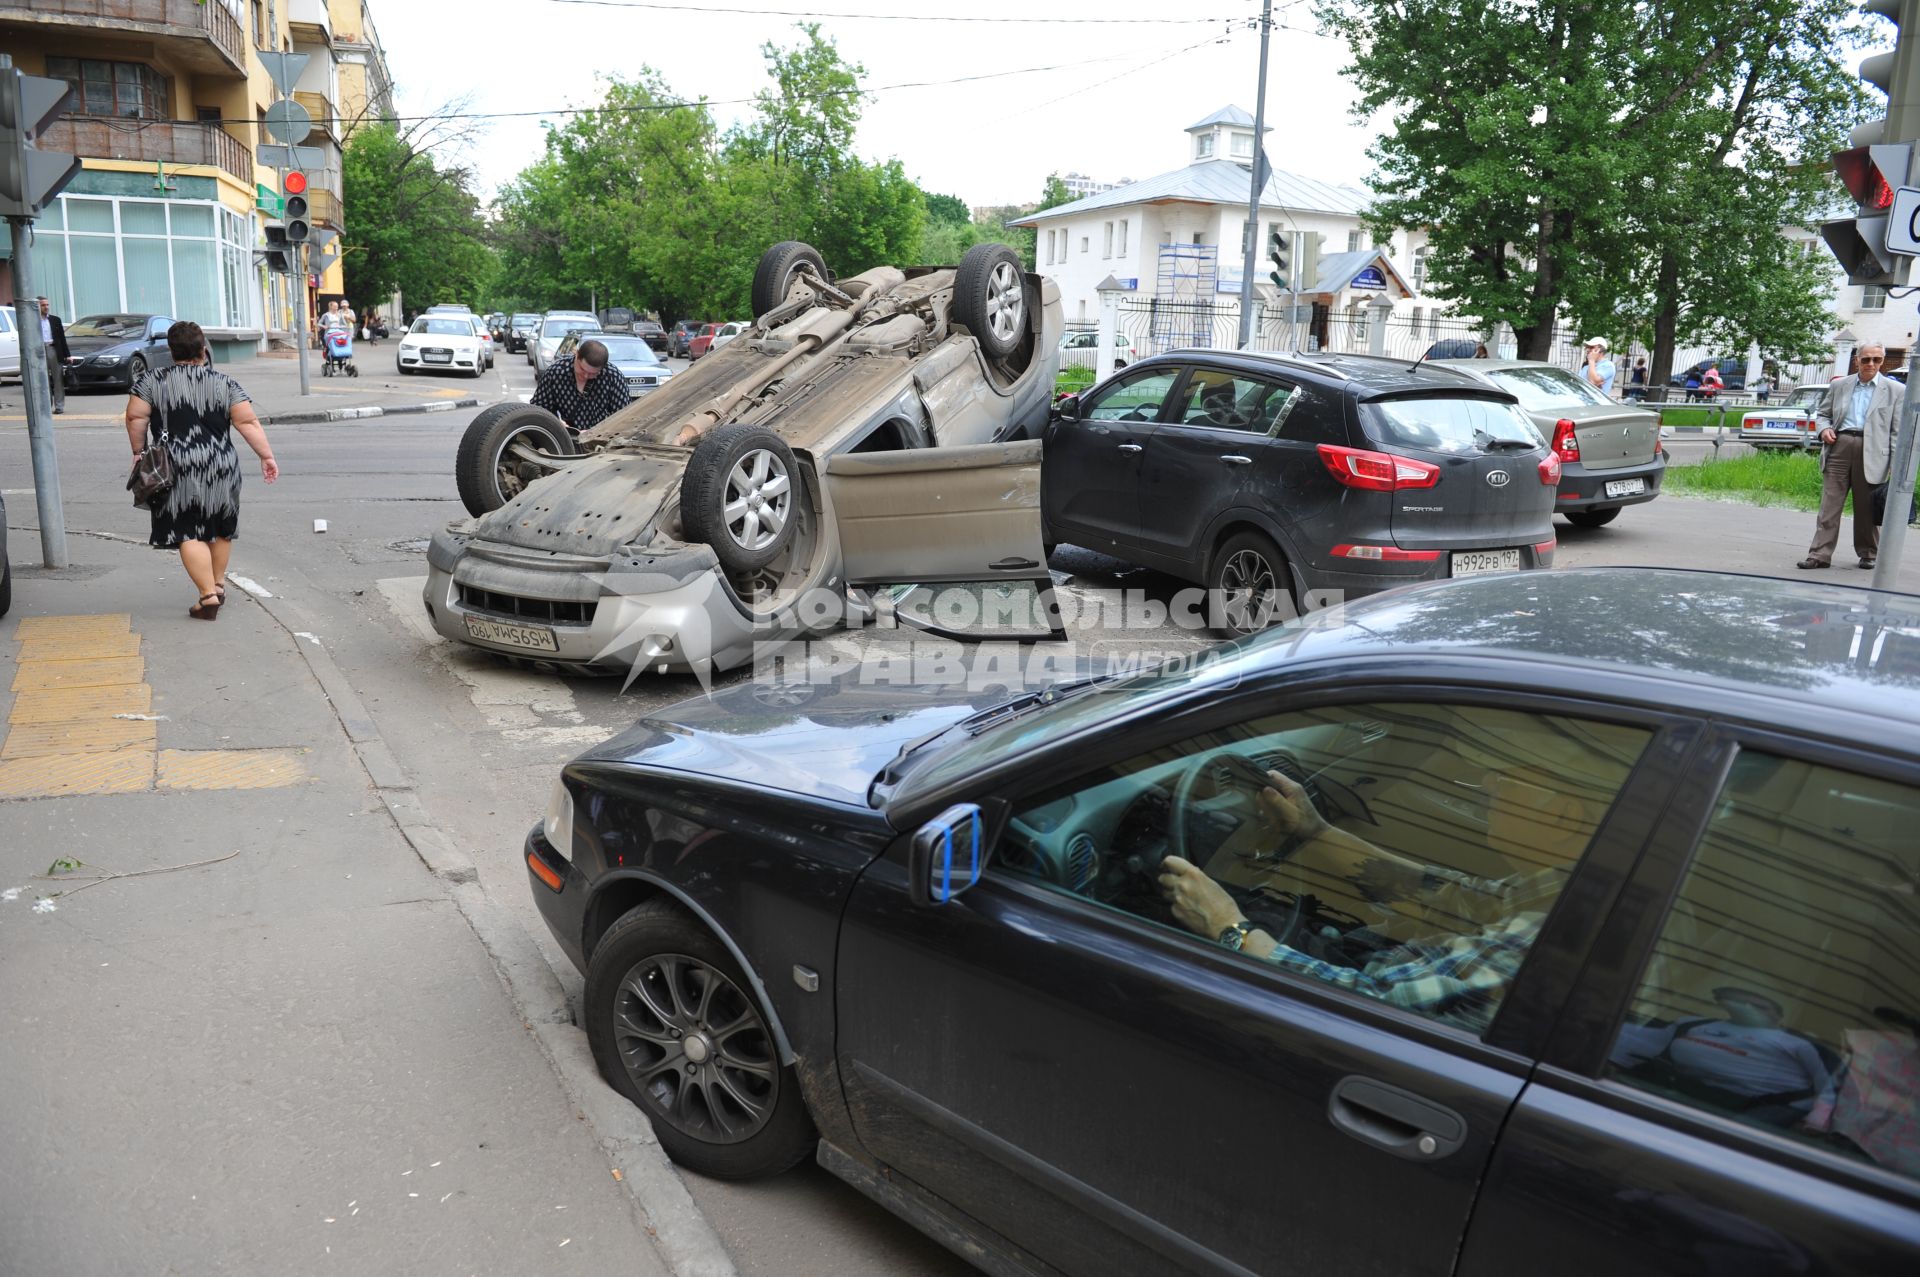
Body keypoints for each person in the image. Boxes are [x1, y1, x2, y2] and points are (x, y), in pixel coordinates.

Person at [1155, 768, 1562, 1035]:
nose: (1490, 784)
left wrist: (1230, 929)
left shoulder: (1548, 939)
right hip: (1388, 968)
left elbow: (1372, 1006)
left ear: (1563, 814)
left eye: (1511, 779)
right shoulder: (1563, 889)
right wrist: (1314, 831)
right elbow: (1451, 898)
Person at [123, 321, 279, 620]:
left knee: (186, 529)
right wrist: (266, 456)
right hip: (221, 463)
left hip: (177, 464)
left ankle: (208, 596)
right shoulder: (225, 383)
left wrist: (138, 452)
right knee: (221, 527)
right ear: (203, 350)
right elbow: (247, 422)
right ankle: (218, 586)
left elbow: (135, 418)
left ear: (171, 351)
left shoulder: (152, 381)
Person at [1609, 987, 1836, 1130]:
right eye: (1740, 998)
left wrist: (1817, 1117)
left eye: (1758, 1005)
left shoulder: (1798, 1043)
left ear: (1777, 1015)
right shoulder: (1693, 1024)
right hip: (1679, 1097)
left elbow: (1830, 1085)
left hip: (1755, 1114)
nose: (1747, 1006)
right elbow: (1639, 1043)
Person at [1799, 342, 1899, 570]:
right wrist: (1823, 429)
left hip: (1873, 451)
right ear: (1857, 360)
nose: (1871, 364)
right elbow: (1823, 414)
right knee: (1829, 506)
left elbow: (1897, 430)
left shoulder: (1895, 391)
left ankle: (1868, 553)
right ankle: (1819, 555)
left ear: (1882, 361)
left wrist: (1894, 462)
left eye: (1877, 360)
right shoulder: (1840, 385)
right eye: (1866, 359)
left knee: (1866, 507)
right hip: (1840, 446)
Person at [531, 338, 630, 434]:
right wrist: (556, 423)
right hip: (566, 438)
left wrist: (598, 432)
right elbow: (537, 409)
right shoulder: (556, 373)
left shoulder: (613, 377)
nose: (586, 376)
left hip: (601, 441)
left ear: (603, 367)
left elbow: (624, 417)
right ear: (577, 355)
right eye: (582, 369)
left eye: (593, 373)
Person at [37, 297, 70, 415]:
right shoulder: (33, 321)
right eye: (43, 305)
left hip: (54, 349)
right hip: (39, 352)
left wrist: (67, 355)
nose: (46, 307)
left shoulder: (55, 320)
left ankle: (59, 406)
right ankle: (46, 406)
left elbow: (62, 338)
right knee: (42, 380)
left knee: (58, 379)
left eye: (47, 305)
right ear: (37, 307)